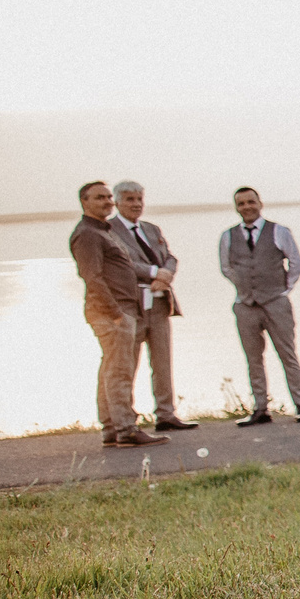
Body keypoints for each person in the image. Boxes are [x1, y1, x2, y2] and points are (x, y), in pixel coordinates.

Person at [69, 180, 167, 447]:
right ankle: (127, 430)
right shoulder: (88, 234)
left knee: (110, 369)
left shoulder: (104, 230)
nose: (108, 202)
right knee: (120, 371)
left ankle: (111, 428)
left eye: (109, 197)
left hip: (122, 309)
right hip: (113, 312)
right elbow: (93, 277)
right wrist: (115, 314)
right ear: (84, 202)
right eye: (100, 197)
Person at [110, 180, 197, 432]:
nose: (136, 204)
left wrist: (166, 274)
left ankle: (166, 414)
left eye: (139, 199)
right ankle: (126, 420)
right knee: (127, 364)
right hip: (131, 306)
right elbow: (123, 264)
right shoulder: (110, 230)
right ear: (117, 202)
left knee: (162, 362)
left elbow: (170, 257)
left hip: (160, 305)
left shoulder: (151, 228)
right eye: (129, 199)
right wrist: (154, 273)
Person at [220, 186, 300, 425]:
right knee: (253, 358)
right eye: (241, 204)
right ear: (236, 207)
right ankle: (260, 408)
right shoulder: (228, 236)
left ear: (260, 203)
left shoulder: (279, 231)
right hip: (245, 305)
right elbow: (226, 267)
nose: (247, 207)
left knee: (287, 353)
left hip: (276, 302)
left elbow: (296, 263)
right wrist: (243, 287)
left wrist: (283, 289)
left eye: (251, 202)